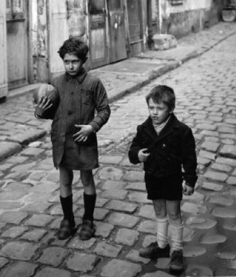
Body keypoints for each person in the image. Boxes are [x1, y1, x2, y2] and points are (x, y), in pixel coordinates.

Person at [34, 36, 110, 241]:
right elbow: (51, 112)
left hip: (83, 140)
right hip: (62, 140)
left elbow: (104, 110)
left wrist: (92, 127)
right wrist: (40, 112)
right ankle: (68, 219)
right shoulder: (56, 83)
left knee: (86, 179)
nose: (70, 66)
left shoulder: (93, 83)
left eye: (74, 61)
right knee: (65, 180)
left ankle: (88, 220)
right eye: (66, 62)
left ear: (83, 60)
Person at [128, 85, 197, 272]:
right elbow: (133, 148)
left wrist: (189, 180)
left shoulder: (181, 131)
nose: (155, 113)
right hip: (153, 177)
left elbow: (189, 158)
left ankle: (176, 249)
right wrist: (137, 155)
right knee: (159, 211)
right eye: (151, 108)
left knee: (174, 213)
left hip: (172, 178)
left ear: (170, 109)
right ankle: (161, 245)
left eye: (160, 108)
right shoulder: (144, 129)